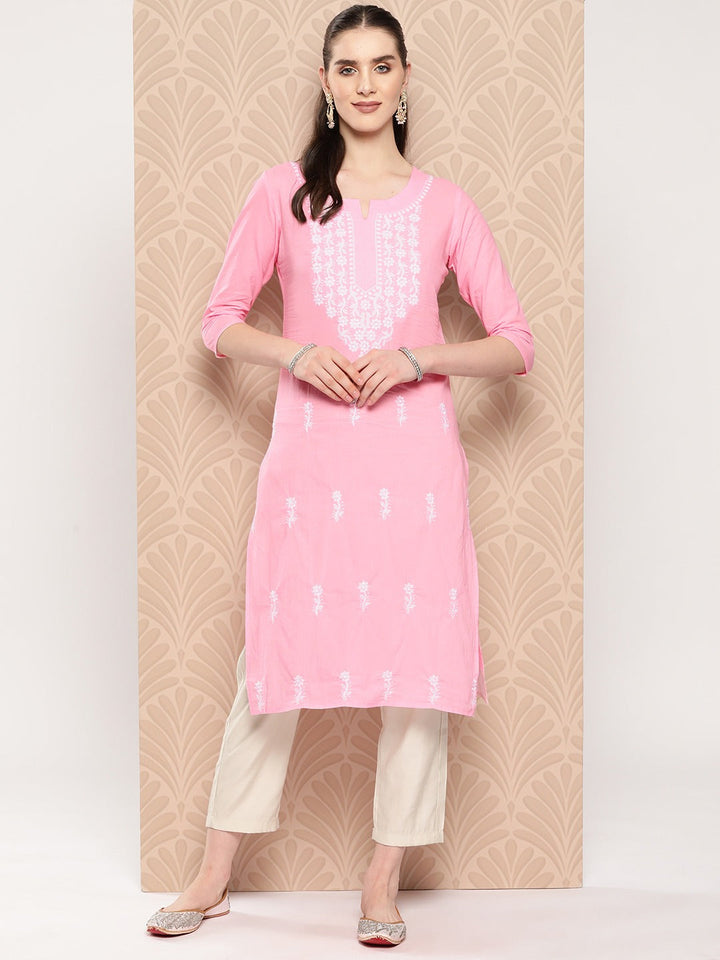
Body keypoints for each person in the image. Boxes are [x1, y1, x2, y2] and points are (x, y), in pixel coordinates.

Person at [145, 2, 534, 947]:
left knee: (420, 668)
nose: (366, 83)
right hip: (312, 464)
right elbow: (219, 320)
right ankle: (213, 875)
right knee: (272, 660)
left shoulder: (444, 206)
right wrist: (295, 352)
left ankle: (381, 880)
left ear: (405, 81)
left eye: (382, 65)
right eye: (348, 67)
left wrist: (418, 358)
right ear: (325, 83)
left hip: (416, 469)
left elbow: (515, 344)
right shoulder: (282, 193)